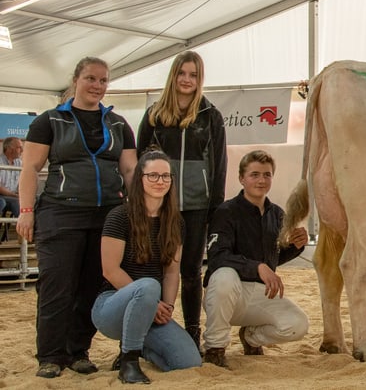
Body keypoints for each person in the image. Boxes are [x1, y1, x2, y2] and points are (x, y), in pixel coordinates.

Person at [15, 57, 138, 378]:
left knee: (91, 286)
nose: (97, 86)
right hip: (60, 212)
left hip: (107, 216)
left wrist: (138, 213)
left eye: (103, 80)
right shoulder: (50, 120)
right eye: (90, 79)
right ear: (76, 80)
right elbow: (29, 169)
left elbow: (129, 170)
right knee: (57, 286)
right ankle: (51, 355)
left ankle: (78, 351)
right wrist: (26, 212)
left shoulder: (118, 124)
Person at [137, 51, 227, 349]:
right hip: (160, 207)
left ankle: (191, 333)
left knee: (190, 271)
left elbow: (219, 164)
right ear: (173, 75)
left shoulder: (210, 115)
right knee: (153, 268)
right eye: (182, 73)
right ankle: (147, 331)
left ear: (200, 79)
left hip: (197, 207)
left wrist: (215, 206)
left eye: (194, 75)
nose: (187, 80)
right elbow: (141, 161)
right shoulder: (154, 115)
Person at [92, 151, 202, 383]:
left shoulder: (175, 222)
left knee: (188, 361)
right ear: (139, 178)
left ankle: (141, 348)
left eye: (165, 176)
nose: (160, 181)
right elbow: (109, 270)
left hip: (151, 308)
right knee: (149, 285)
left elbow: (172, 272)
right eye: (152, 175)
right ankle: (128, 360)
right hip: (112, 306)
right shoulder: (120, 216)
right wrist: (151, 301)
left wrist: (168, 306)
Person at [201, 150, 309, 367]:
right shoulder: (226, 212)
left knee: (298, 324)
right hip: (226, 294)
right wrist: (257, 267)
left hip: (260, 294)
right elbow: (217, 257)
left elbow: (273, 259)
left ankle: (251, 337)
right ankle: (215, 348)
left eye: (267, 175)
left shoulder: (277, 214)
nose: (261, 180)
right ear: (242, 178)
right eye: (255, 174)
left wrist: (296, 246)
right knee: (224, 276)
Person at [0, 136, 23, 216]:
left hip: (13, 195)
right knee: (17, 202)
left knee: (38, 199)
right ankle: (24, 227)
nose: (22, 151)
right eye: (19, 148)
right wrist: (16, 195)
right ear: (9, 149)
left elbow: (23, 182)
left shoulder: (19, 163)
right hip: (2, 195)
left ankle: (39, 226)